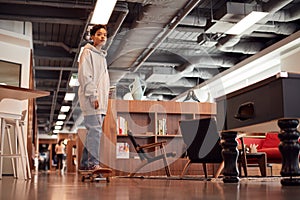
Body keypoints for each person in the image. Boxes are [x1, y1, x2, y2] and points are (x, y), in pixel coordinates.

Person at [78, 24, 110, 171]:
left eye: (104, 34)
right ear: (92, 37)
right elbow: (85, 76)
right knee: (95, 132)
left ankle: (85, 164)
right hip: (92, 99)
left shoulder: (101, 56)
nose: (102, 36)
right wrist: (93, 96)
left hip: (101, 101)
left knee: (93, 132)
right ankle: (93, 164)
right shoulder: (87, 52)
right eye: (99, 34)